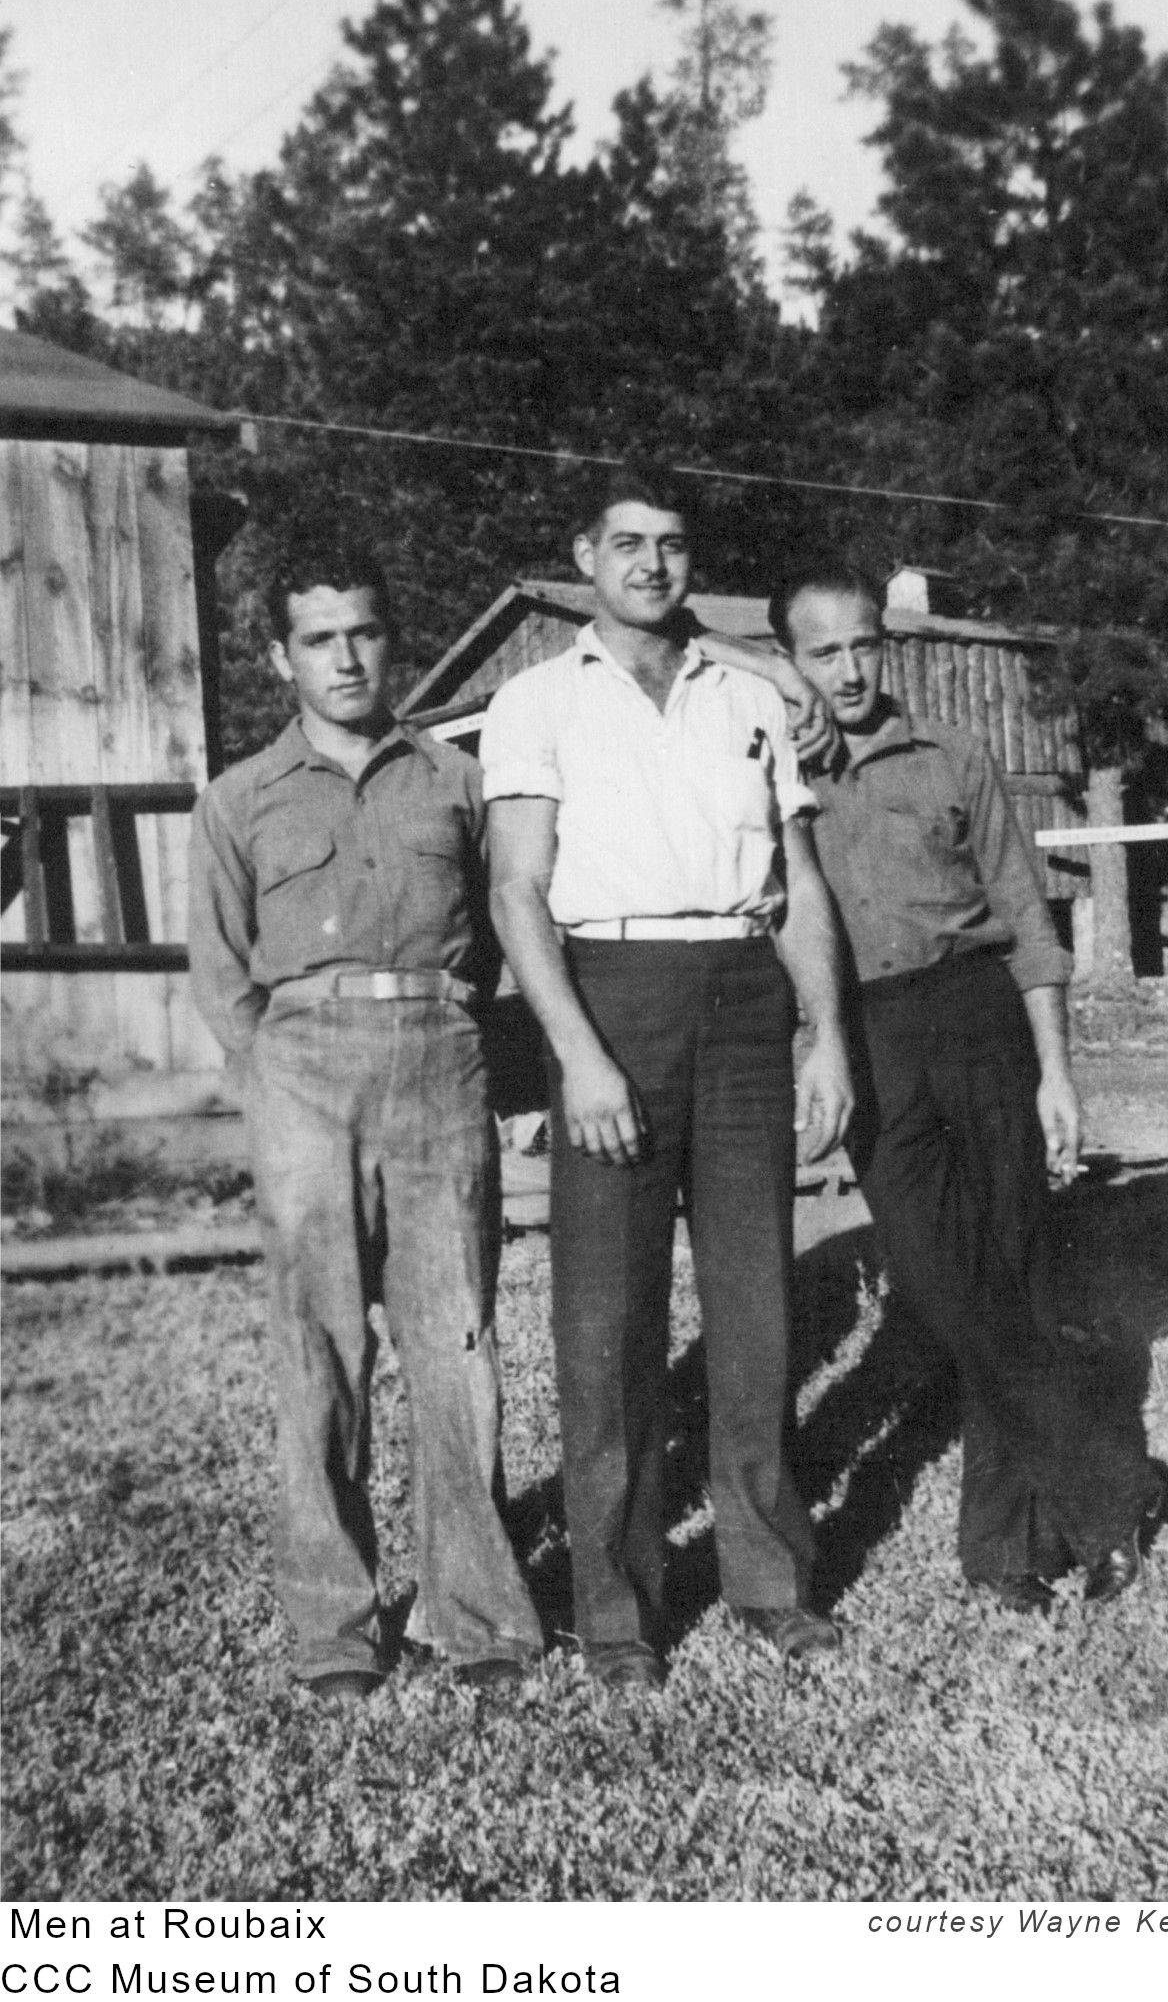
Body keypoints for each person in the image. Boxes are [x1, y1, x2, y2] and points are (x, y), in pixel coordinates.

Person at [720, 557, 1158, 1612]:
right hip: (863, 1036)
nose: (849, 669)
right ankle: (1108, 1487)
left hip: (977, 1021)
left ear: (887, 644)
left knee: (1010, 1274)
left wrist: (1053, 1071)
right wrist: (772, 690)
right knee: (946, 1284)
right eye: (820, 652)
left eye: (863, 644)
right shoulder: (770, 774)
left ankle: (1003, 1550)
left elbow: (1026, 922)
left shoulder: (953, 756)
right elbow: (679, 640)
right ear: (789, 663)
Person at [480, 465, 856, 1689]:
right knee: (608, 1325)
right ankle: (619, 1611)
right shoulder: (534, 701)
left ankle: (765, 1579)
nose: (650, 564)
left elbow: (797, 884)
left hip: (743, 1000)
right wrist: (576, 1055)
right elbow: (516, 892)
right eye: (626, 544)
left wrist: (829, 1038)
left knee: (755, 1309)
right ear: (583, 554)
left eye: (673, 545)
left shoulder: (747, 695)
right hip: (612, 998)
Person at [188, 547, 542, 1700]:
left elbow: (497, 936)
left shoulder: (455, 780)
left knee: (458, 1345)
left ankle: (477, 1614)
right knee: (319, 1354)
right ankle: (335, 1628)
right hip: (302, 1074)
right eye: (319, 638)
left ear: (392, 640)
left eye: (365, 633)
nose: (346, 657)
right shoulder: (238, 798)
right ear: (279, 657)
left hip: (438, 1064)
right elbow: (220, 973)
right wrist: (280, 1081)